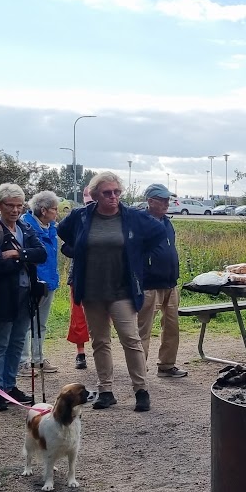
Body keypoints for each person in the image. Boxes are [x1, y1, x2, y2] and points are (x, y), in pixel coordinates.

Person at [58, 172, 166, 412]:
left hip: (122, 290)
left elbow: (158, 233)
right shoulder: (81, 216)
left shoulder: (133, 217)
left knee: (131, 339)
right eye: (107, 193)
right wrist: (77, 249)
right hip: (92, 291)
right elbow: (63, 232)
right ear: (96, 195)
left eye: (117, 192)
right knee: (100, 341)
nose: (113, 197)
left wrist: (136, 254)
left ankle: (141, 390)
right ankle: (106, 390)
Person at [0, 184, 46, 409]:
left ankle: (10, 386)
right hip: (2, 296)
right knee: (0, 343)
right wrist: (25, 259)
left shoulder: (25, 228)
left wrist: (18, 254)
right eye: (10, 205)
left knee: (17, 342)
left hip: (26, 295)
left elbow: (42, 254)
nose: (16, 210)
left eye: (20, 205)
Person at [136, 183, 188, 379]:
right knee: (143, 330)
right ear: (150, 201)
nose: (168, 203)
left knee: (172, 327)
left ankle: (166, 365)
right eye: (163, 199)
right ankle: (139, 371)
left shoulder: (166, 221)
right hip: (149, 284)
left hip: (170, 283)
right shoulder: (141, 222)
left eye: (168, 199)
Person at [18, 190, 62, 375]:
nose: (56, 213)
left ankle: (37, 358)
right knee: (27, 322)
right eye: (54, 209)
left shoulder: (51, 227)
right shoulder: (25, 227)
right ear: (43, 210)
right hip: (32, 282)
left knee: (41, 323)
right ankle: (23, 362)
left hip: (48, 281)